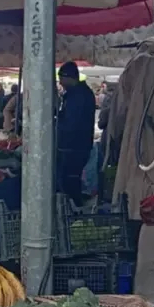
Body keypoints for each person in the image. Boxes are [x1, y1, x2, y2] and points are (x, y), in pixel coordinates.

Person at [56, 61, 96, 205]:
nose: (60, 82)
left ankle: (72, 210)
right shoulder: (79, 93)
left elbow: (71, 123)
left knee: (69, 180)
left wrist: (58, 121)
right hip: (77, 145)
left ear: (69, 77)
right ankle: (73, 208)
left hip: (73, 146)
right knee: (71, 179)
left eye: (61, 78)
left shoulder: (77, 96)